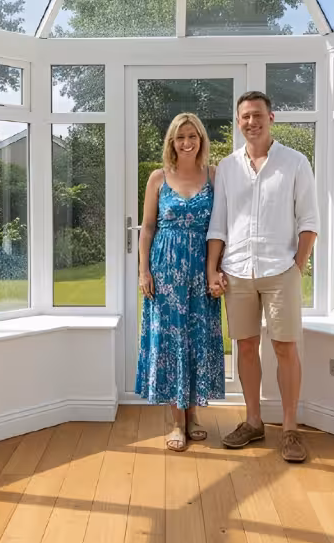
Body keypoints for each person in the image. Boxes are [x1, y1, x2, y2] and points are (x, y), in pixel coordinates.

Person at [207, 90, 318, 463]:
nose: (251, 122)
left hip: (280, 270)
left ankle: (289, 430)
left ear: (271, 118)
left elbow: (309, 223)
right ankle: (253, 422)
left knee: (285, 348)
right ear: (238, 123)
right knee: (245, 347)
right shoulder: (226, 168)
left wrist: (296, 267)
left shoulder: (295, 163)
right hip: (237, 272)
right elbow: (218, 224)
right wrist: (214, 267)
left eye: (257, 115)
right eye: (244, 117)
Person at [135, 112, 226, 452]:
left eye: (193, 136)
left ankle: (194, 417)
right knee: (171, 342)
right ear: (171, 142)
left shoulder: (214, 176)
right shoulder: (158, 178)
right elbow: (148, 228)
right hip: (166, 273)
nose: (187, 142)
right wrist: (144, 271)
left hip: (201, 270)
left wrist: (216, 270)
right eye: (180, 137)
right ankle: (176, 422)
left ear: (201, 139)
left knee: (196, 339)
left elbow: (222, 228)